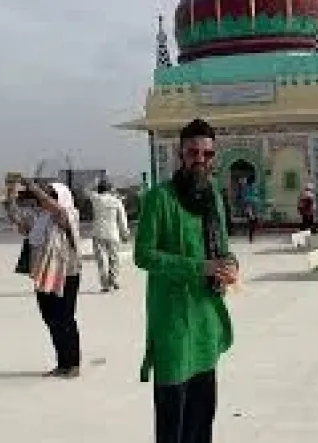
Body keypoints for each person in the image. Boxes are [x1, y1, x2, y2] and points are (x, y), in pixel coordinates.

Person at [134, 118, 238, 443]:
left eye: (207, 154)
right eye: (193, 152)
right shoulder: (159, 199)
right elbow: (144, 255)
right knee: (173, 421)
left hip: (206, 320)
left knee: (201, 418)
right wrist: (201, 267)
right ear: (181, 154)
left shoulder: (213, 199)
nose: (200, 160)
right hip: (173, 324)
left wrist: (231, 266)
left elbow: (223, 248)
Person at [6, 177, 83, 379]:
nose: (46, 198)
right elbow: (15, 217)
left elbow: (57, 210)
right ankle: (62, 363)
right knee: (50, 319)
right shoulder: (39, 218)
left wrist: (33, 188)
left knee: (65, 318)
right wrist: (11, 193)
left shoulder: (68, 214)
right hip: (44, 274)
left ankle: (73, 364)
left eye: (52, 194)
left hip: (66, 274)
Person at [84, 179, 130, 292]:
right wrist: (125, 233)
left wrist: (93, 182)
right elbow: (122, 219)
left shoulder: (96, 199)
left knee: (102, 259)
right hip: (113, 233)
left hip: (98, 233)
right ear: (110, 189)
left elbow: (86, 190)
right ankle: (113, 279)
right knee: (114, 258)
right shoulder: (116, 201)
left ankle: (105, 285)